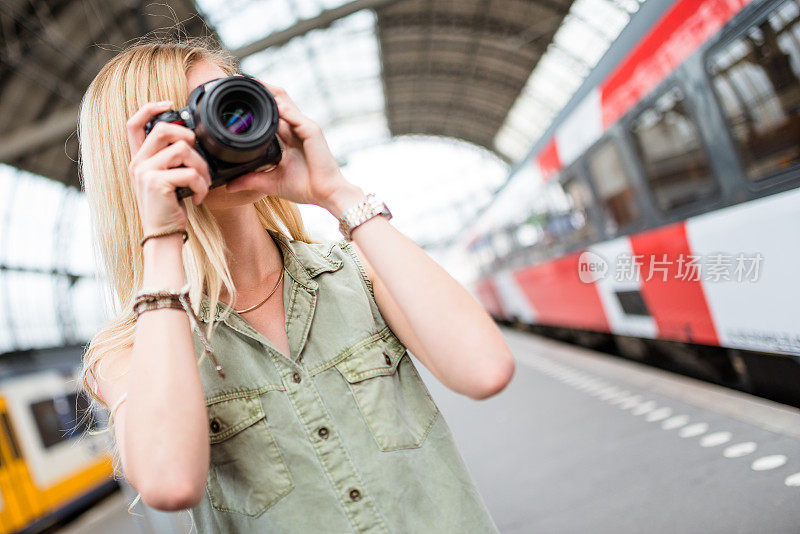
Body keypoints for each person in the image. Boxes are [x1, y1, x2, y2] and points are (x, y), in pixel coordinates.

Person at [79, 36, 515, 533]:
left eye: (230, 103)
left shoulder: (359, 270)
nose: (224, 128)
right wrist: (159, 234)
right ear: (133, 164)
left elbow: (485, 370)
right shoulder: (127, 350)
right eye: (188, 124)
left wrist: (336, 193)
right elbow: (169, 482)